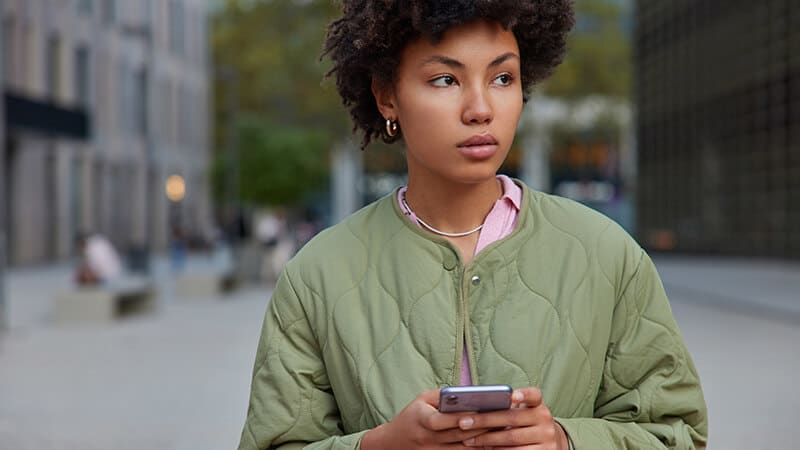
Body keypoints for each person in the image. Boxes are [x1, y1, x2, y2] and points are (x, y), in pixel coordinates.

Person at [238, 1, 708, 449]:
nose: (480, 108)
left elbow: (676, 433)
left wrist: (567, 442)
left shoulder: (607, 255)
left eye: (503, 77)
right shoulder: (317, 277)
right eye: (445, 79)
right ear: (386, 96)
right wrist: (379, 446)